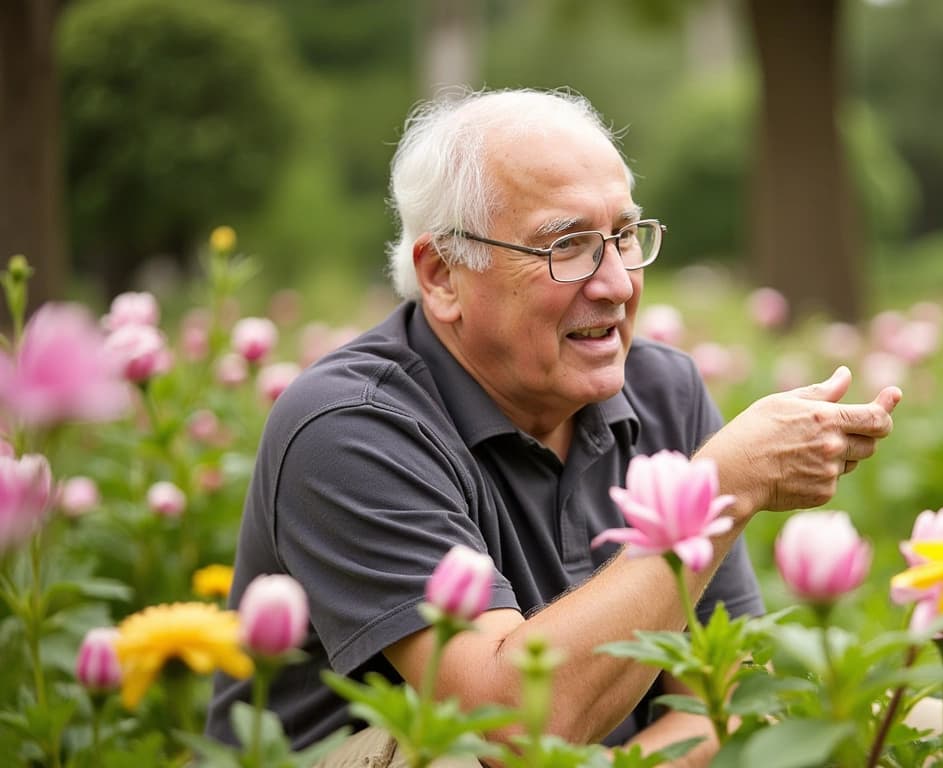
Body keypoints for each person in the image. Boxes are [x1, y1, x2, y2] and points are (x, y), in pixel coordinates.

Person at [206, 88, 901, 763]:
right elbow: (510, 728)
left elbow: (719, 700)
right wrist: (719, 492)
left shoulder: (665, 392)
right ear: (444, 274)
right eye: (567, 245)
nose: (618, 283)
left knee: (918, 708)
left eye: (624, 236)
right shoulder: (350, 426)